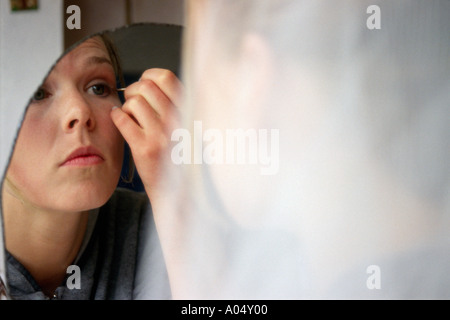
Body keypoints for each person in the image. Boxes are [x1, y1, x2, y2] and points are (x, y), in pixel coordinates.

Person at [1, 32, 181, 299]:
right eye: (38, 92)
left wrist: (177, 201)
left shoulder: (163, 228)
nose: (80, 111)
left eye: (98, 87)